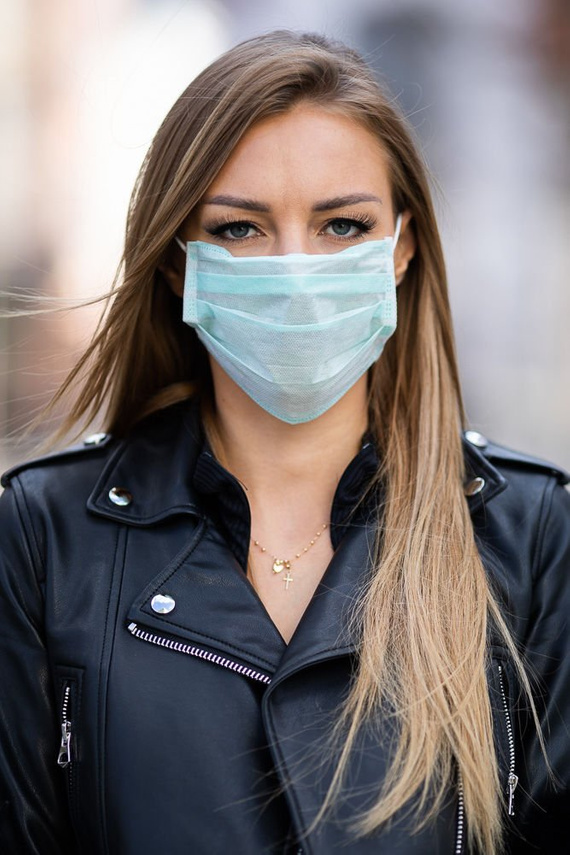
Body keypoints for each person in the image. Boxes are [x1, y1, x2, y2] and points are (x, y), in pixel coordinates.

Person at [0, 30, 568, 855]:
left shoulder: (534, 537)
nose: (297, 270)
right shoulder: (44, 537)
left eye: (342, 225)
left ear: (402, 248)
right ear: (176, 262)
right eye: (240, 229)